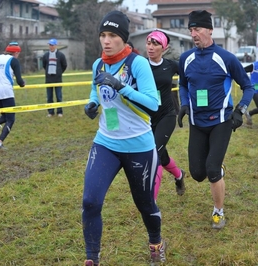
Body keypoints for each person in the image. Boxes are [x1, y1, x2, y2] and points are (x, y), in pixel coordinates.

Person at [82, 11, 165, 266]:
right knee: (90, 201)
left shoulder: (137, 64)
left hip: (138, 145)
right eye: (103, 35)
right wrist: (92, 103)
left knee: (145, 204)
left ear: (123, 39)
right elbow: (96, 90)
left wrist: (121, 86)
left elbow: (154, 103)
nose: (106, 41)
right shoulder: (99, 64)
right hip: (106, 142)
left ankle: (156, 242)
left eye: (113, 36)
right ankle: (92, 258)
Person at [178, 10, 254, 229]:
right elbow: (183, 84)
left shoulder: (226, 58)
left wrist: (240, 109)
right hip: (197, 122)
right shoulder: (186, 58)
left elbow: (247, 86)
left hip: (221, 120)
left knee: (211, 169)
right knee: (197, 173)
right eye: (191, 30)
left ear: (210, 30)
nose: (194, 34)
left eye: (198, 29)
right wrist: (184, 103)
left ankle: (218, 211)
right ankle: (217, 171)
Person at [145, 29, 186, 200]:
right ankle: (179, 176)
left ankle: (151, 203)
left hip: (167, 115)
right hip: (146, 119)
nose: (151, 47)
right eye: (148, 43)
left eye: (155, 44)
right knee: (161, 153)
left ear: (165, 47)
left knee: (154, 154)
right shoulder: (140, 65)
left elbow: (189, 78)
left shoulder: (171, 65)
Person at [0, 42, 25, 149]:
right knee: (10, 119)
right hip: (6, 92)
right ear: (16, 52)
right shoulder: (14, 61)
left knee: (4, 116)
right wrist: (23, 83)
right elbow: (20, 81)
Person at [42, 38, 67, 117]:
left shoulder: (61, 55)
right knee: (49, 97)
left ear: (56, 45)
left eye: (52, 45)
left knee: (59, 96)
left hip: (58, 79)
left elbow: (64, 65)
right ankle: (50, 112)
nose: (51, 46)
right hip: (48, 79)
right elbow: (44, 65)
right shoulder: (46, 55)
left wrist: (59, 72)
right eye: (50, 45)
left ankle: (59, 111)